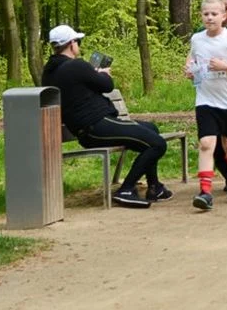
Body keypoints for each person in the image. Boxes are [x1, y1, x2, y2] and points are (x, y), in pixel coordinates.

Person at [42, 24, 170, 208]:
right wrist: (103, 73)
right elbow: (107, 85)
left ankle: (154, 187)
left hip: (87, 129)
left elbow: (80, 89)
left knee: (151, 129)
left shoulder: (49, 72)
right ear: (71, 44)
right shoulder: (76, 66)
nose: (79, 45)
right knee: (158, 144)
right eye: (78, 41)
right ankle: (126, 190)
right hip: (97, 126)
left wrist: (92, 75)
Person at [185, 0, 227, 210]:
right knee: (206, 144)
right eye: (206, 14)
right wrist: (190, 71)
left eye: (214, 14)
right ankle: (205, 192)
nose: (210, 18)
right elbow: (193, 61)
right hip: (205, 99)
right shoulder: (197, 39)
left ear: (224, 16)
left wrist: (225, 66)